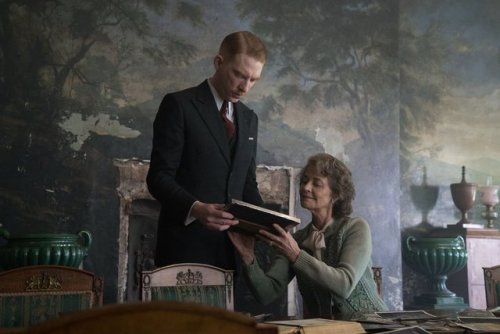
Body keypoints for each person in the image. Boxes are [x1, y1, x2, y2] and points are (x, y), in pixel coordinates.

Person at [146, 31, 267, 271]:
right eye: (239, 75)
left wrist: (269, 223)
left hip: (231, 255)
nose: (245, 87)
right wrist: (196, 209)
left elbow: (247, 185)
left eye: (253, 80)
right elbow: (158, 178)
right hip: (183, 251)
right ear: (218, 62)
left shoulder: (249, 119)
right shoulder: (178, 105)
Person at [228, 153, 388, 319]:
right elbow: (267, 293)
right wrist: (248, 256)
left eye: (316, 183)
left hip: (374, 327)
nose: (305, 187)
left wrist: (296, 255)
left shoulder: (355, 228)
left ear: (336, 194)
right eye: (304, 181)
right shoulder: (296, 240)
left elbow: (344, 285)